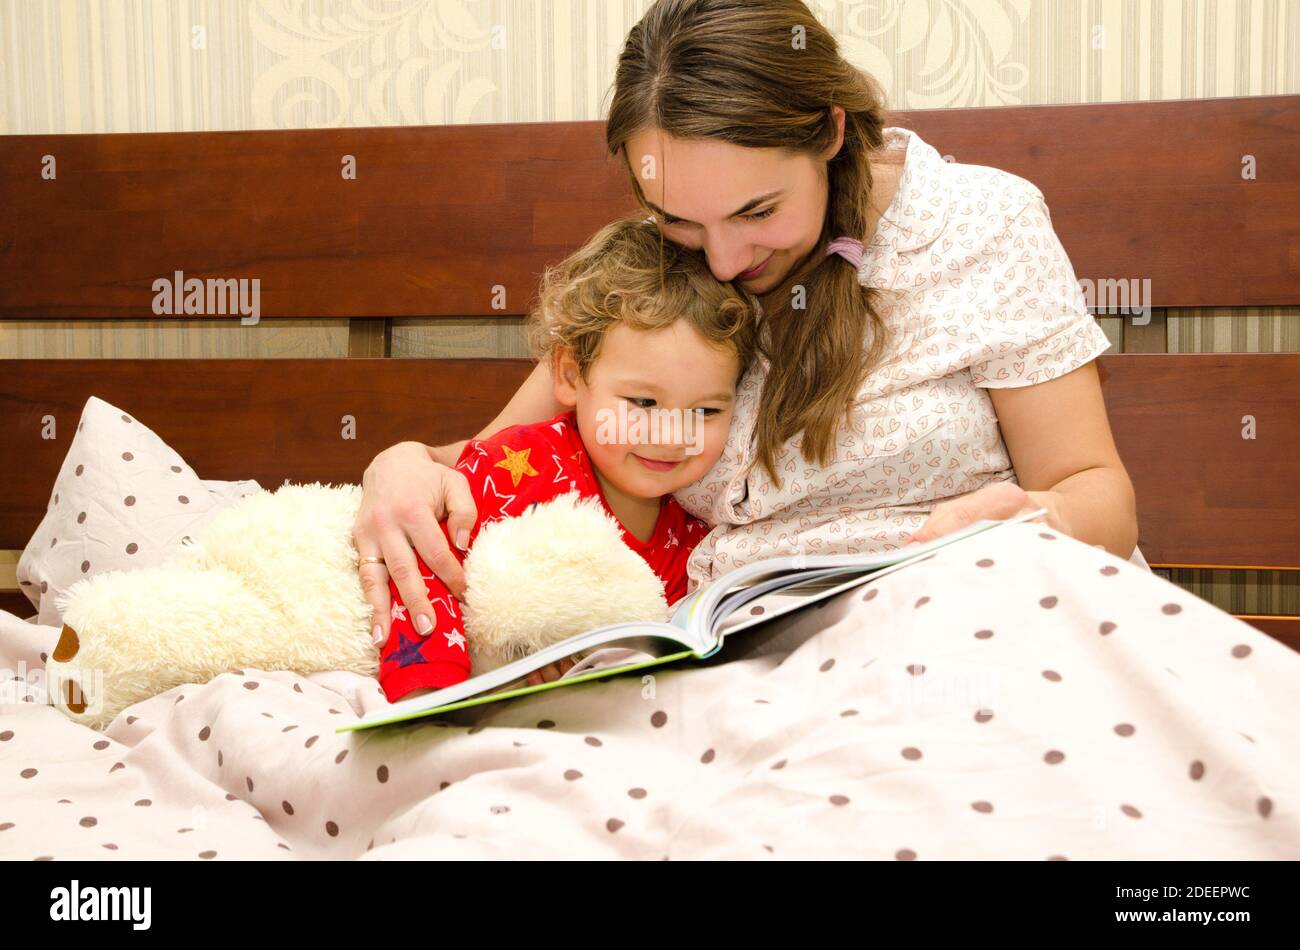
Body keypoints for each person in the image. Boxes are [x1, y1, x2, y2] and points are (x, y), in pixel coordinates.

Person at [354, 0, 1139, 671]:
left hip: (966, 641)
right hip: (728, 675)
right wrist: (398, 467)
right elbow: (485, 457)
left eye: (758, 213)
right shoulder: (658, 274)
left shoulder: (982, 226)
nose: (726, 259)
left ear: (830, 133)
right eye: (680, 220)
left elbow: (1095, 490)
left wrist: (1041, 523)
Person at [377, 214, 759, 699]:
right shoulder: (519, 466)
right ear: (571, 376)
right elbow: (427, 556)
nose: (670, 437)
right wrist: (433, 686)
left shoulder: (698, 534)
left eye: (705, 409)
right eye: (642, 403)